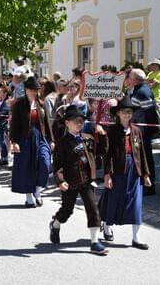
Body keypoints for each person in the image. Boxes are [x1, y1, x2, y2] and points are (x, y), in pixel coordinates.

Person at [49, 105, 108, 255]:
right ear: (67, 123)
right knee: (67, 210)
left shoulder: (87, 139)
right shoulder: (62, 142)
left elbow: (102, 151)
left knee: (92, 209)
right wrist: (60, 180)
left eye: (81, 121)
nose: (79, 124)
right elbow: (57, 165)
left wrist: (101, 135)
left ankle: (94, 242)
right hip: (70, 181)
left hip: (87, 180)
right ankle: (55, 224)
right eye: (75, 121)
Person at [99, 96, 151, 250]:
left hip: (134, 171)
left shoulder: (136, 130)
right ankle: (107, 226)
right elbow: (107, 154)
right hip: (118, 170)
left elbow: (142, 153)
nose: (127, 114)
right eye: (124, 112)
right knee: (114, 199)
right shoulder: (112, 130)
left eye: (129, 112)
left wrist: (146, 174)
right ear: (118, 114)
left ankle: (136, 237)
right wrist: (107, 174)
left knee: (135, 203)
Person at [10, 77, 54, 207]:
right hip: (25, 138)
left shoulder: (41, 104)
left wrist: (51, 139)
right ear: (26, 90)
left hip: (40, 137)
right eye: (31, 89)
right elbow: (14, 125)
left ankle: (37, 190)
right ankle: (29, 196)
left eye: (36, 90)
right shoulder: (19, 105)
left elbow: (47, 124)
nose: (34, 92)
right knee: (27, 168)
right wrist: (14, 142)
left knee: (45, 163)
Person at [129, 69, 158, 195]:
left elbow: (151, 112)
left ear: (134, 79)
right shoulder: (138, 90)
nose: (128, 79)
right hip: (139, 130)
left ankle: (149, 185)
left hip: (142, 131)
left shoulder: (142, 91)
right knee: (141, 156)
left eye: (130, 77)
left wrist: (153, 130)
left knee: (145, 157)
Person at [0, 81, 11, 165]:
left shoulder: (6, 102)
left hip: (4, 123)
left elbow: (3, 112)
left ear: (5, 93)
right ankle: (3, 157)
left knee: (3, 140)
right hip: (0, 123)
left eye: (1, 92)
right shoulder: (1, 101)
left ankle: (4, 158)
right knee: (1, 140)